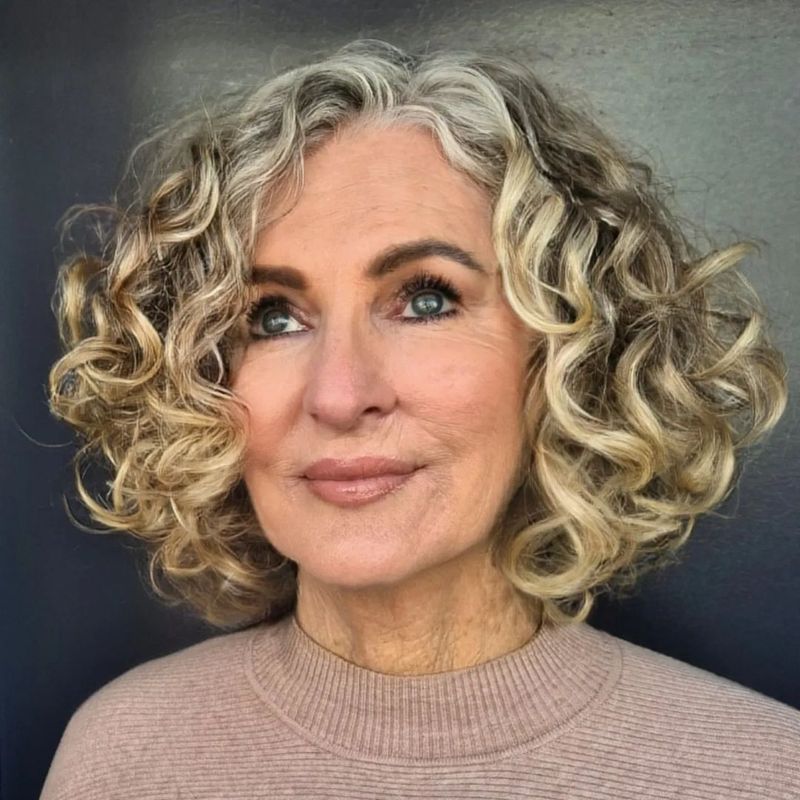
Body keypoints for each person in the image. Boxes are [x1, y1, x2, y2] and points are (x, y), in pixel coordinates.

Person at [40, 39, 798, 799]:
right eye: (273, 317)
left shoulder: (759, 772)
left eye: (427, 300)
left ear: (568, 352)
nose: (339, 395)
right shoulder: (125, 758)